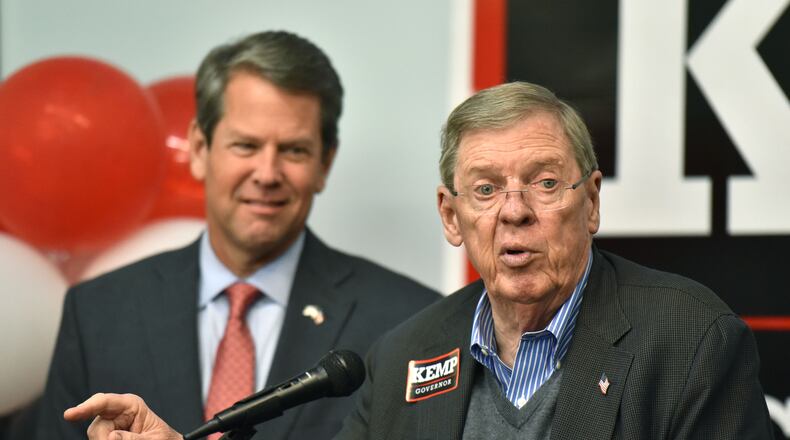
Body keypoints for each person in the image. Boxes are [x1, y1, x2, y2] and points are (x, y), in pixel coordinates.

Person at [63, 81, 773, 439]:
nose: (515, 210)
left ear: (590, 204)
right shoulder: (407, 354)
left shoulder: (690, 341)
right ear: (451, 216)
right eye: (486, 190)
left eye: (545, 183)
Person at [37, 31, 439, 440]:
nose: (267, 174)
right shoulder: (98, 314)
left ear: (325, 163)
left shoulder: (409, 323)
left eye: (294, 150)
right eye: (245, 145)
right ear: (198, 148)